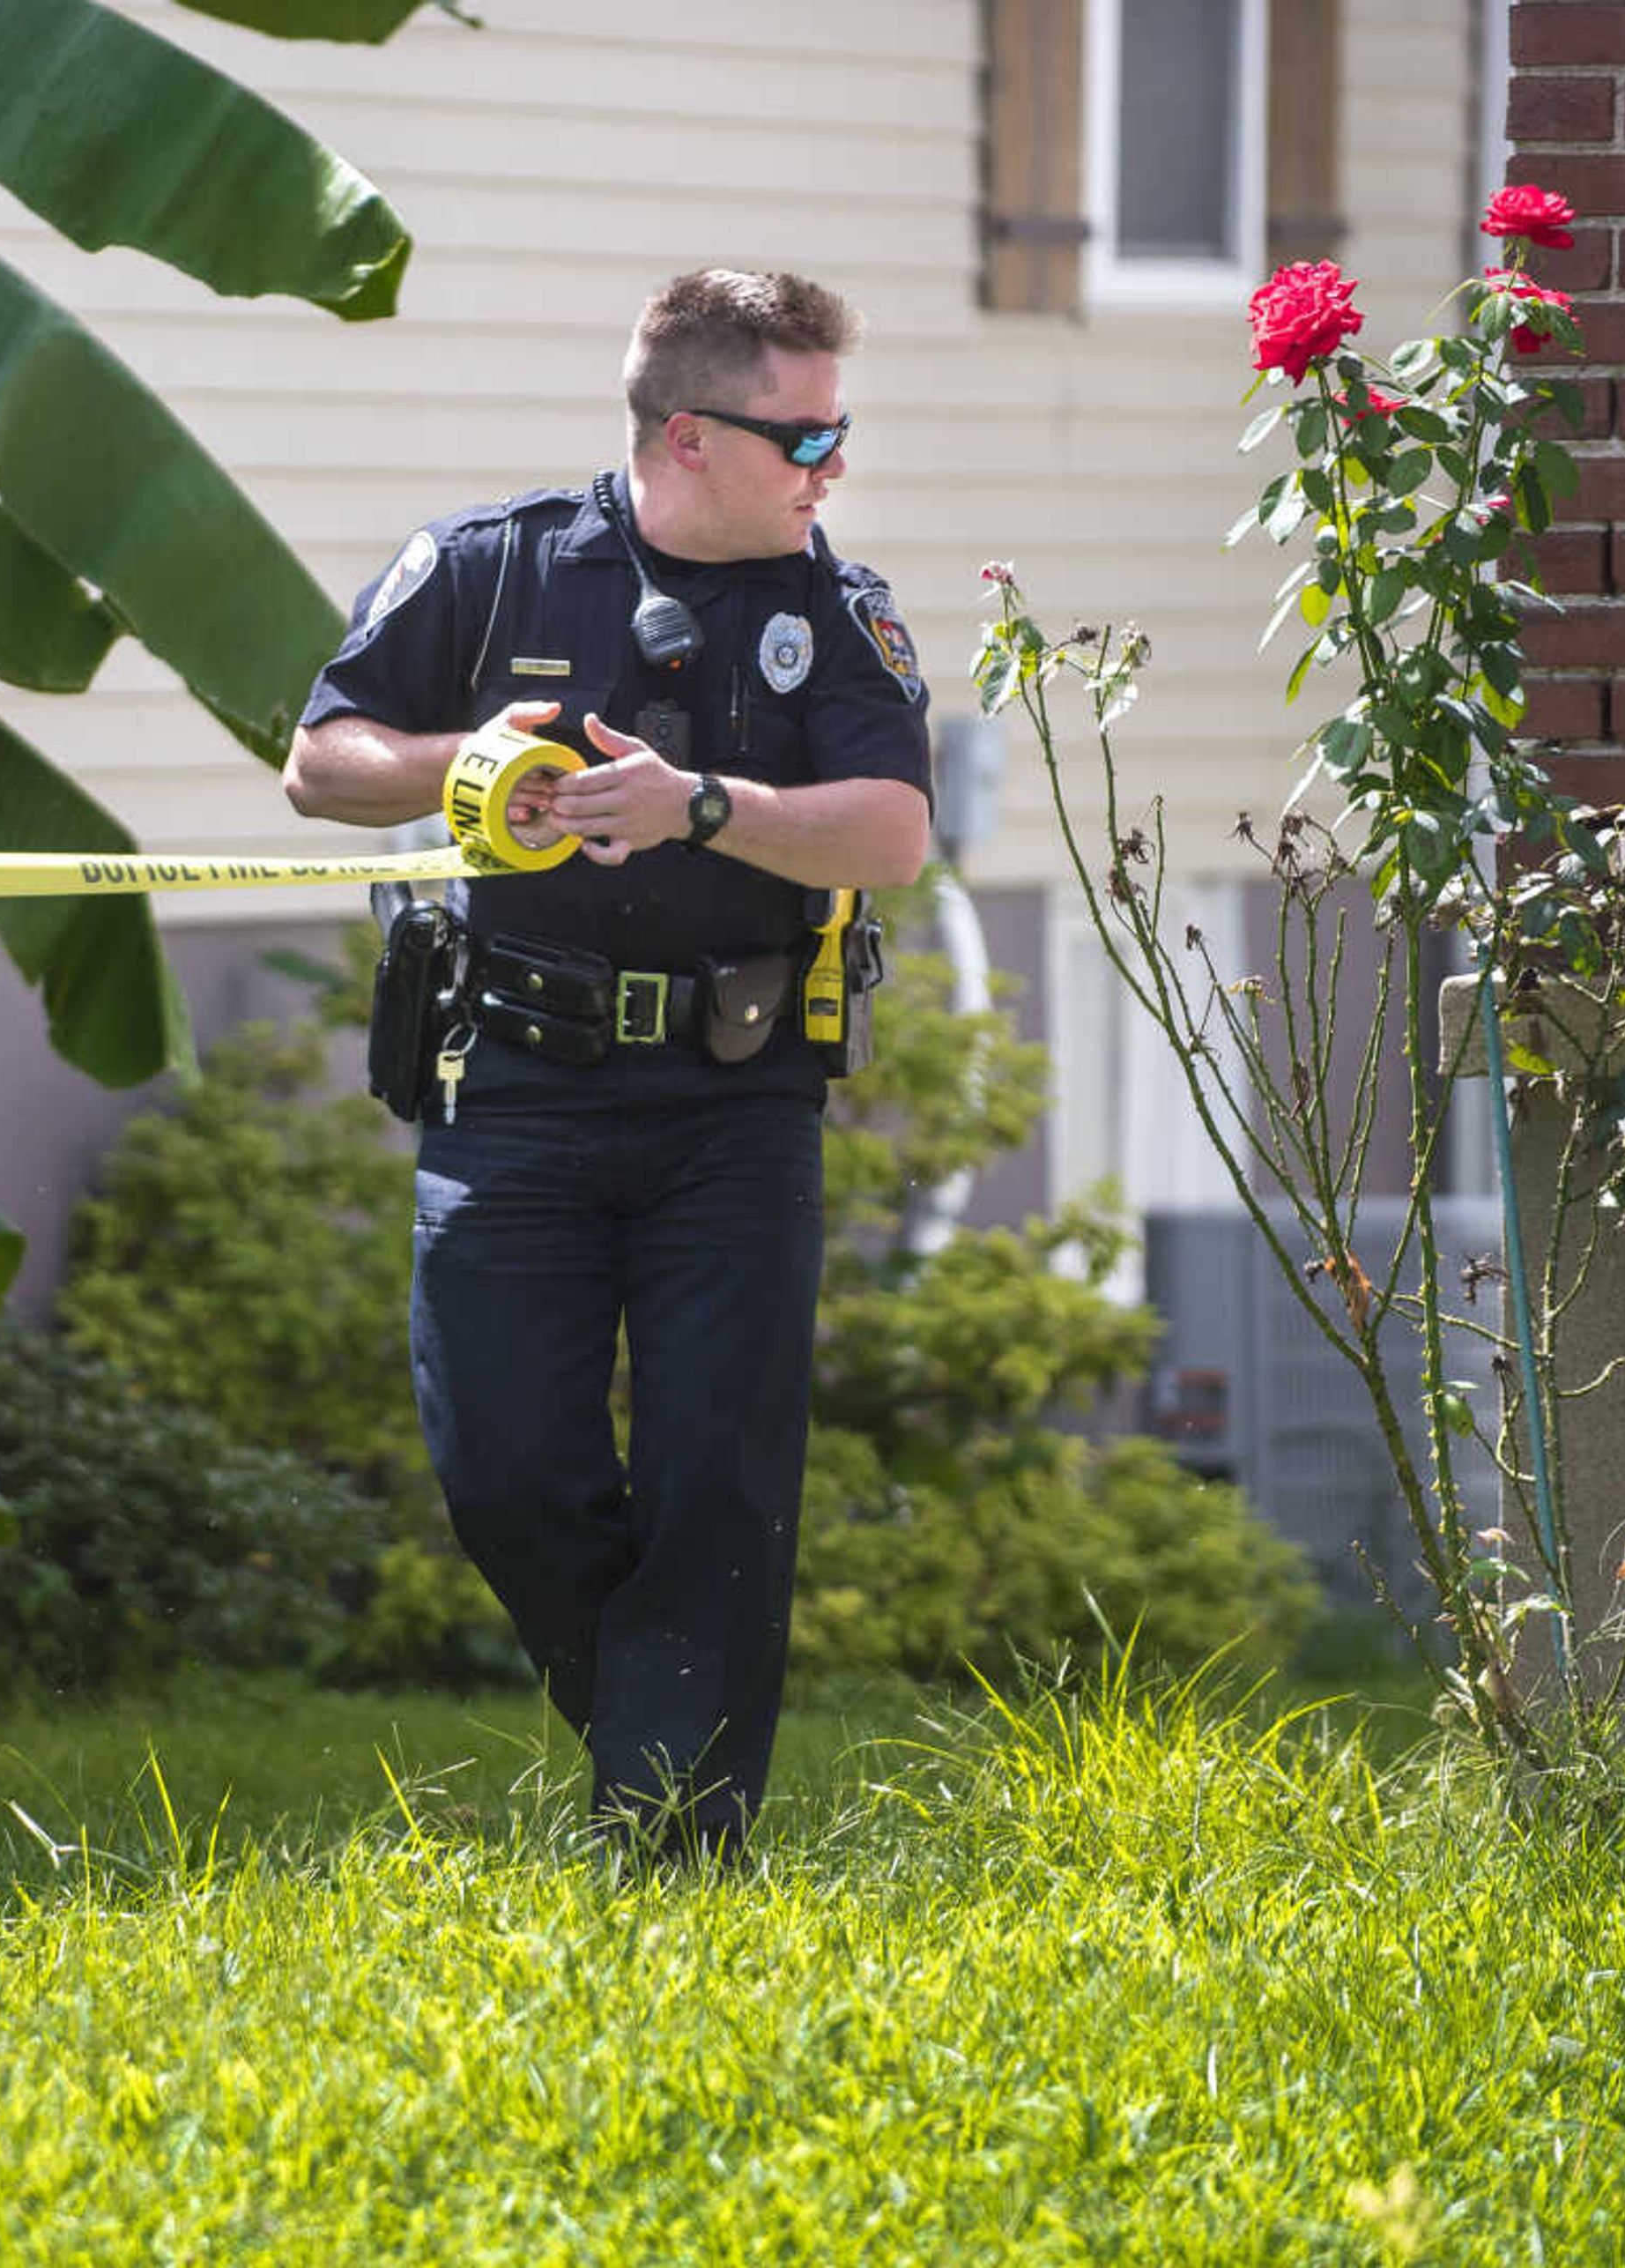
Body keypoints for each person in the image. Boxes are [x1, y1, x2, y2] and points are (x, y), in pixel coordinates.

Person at [284, 269, 933, 1860]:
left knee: (718, 1479)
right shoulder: (492, 567)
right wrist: (471, 765)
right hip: (512, 1080)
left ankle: (670, 1848)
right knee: (505, 1463)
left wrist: (703, 804)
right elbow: (322, 758)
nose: (833, 468)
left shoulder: (832, 610)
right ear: (693, 435)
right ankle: (665, 1738)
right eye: (810, 435)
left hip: (737, 1096)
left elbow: (895, 830)